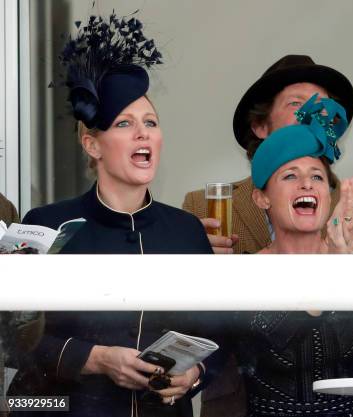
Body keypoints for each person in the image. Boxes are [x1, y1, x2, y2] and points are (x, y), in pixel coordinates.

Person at [7, 14, 214, 417]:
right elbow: (13, 339)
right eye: (125, 124)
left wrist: (195, 374)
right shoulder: (46, 225)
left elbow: (218, 333)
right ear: (92, 145)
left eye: (150, 123)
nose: (143, 134)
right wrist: (96, 358)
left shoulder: (186, 229)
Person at [226, 95, 353, 417]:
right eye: (290, 176)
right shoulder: (241, 274)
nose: (306, 184)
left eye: (317, 176)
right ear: (261, 198)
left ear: (329, 193)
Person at [182, 55, 353, 254]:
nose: (312, 116)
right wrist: (195, 260)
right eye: (296, 103)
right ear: (260, 126)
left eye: (321, 107)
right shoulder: (201, 209)